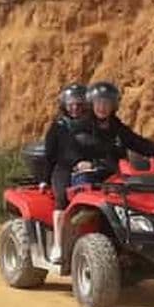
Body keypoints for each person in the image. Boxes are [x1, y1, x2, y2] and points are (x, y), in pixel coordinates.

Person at [42, 83, 91, 263]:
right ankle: (58, 245)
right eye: (71, 104)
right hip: (63, 169)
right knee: (61, 198)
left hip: (91, 169)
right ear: (64, 105)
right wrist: (44, 179)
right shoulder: (58, 126)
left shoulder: (93, 125)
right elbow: (50, 154)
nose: (75, 107)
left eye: (79, 103)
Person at [84, 81, 154, 173]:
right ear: (91, 104)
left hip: (116, 175)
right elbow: (71, 150)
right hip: (91, 175)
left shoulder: (117, 127)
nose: (102, 107)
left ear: (113, 106)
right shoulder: (82, 126)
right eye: (98, 102)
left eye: (107, 103)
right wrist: (81, 162)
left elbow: (136, 142)